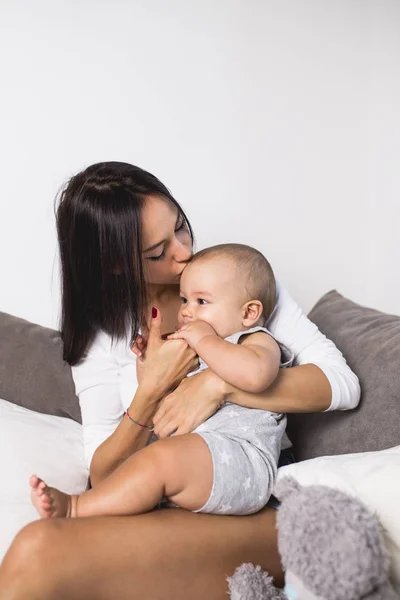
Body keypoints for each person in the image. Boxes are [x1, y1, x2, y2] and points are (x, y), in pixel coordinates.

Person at [0, 162, 360, 600]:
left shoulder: (235, 281)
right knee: (37, 547)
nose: (184, 252)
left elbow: (341, 384)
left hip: (254, 496)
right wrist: (151, 389)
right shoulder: (106, 339)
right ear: (115, 266)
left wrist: (216, 385)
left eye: (182, 228)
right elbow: (104, 472)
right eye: (158, 251)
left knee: (41, 553)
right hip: (173, 497)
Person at [30, 243, 294, 519]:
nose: (186, 312)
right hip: (197, 464)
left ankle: (77, 508)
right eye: (184, 300)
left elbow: (257, 376)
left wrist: (205, 340)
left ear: (249, 313)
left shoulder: (256, 340)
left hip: (242, 462)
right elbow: (162, 399)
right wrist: (149, 366)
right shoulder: (195, 350)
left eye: (201, 302)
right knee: (152, 459)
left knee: (162, 458)